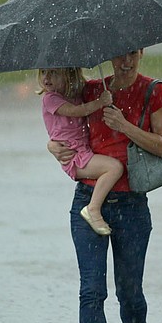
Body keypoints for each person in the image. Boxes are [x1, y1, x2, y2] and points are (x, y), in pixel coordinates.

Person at [47, 50, 162, 323]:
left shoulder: (154, 92)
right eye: (118, 56)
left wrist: (125, 126)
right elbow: (59, 121)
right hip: (88, 201)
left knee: (129, 291)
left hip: (132, 205)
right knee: (91, 290)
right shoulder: (90, 92)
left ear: (141, 53)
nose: (125, 62)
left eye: (132, 54)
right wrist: (51, 145)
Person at [39, 67, 124, 235]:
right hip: (73, 156)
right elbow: (76, 111)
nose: (46, 77)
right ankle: (93, 209)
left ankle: (95, 206)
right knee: (114, 168)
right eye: (43, 72)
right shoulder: (50, 99)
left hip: (82, 150)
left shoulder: (74, 95)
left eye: (54, 73)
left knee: (112, 167)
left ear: (69, 74)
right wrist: (101, 102)